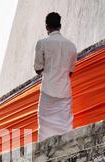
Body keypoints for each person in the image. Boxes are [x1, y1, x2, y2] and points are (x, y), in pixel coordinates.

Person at [34, 12, 78, 141]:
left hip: (47, 90)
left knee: (44, 129)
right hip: (64, 91)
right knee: (65, 126)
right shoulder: (72, 46)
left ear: (47, 27)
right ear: (60, 26)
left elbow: (38, 68)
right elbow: (70, 72)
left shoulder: (42, 43)